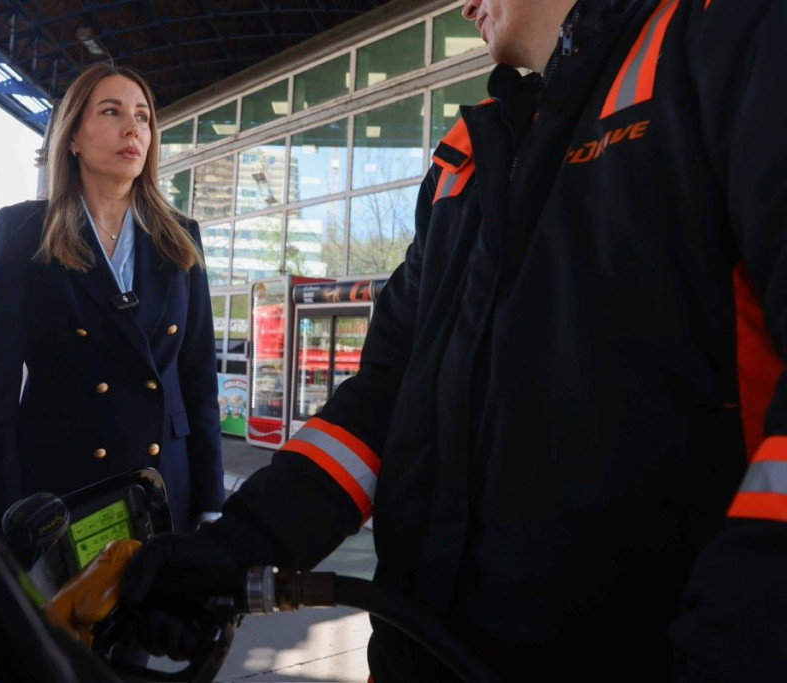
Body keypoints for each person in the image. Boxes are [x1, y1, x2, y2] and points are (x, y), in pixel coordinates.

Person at [113, 1, 787, 681]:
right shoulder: (464, 160)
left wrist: (746, 634)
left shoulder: (729, 38)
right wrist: (241, 543)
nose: (464, 4)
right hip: (419, 655)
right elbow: (381, 401)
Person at [0, 62, 225, 539]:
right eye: (112, 112)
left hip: (166, 489)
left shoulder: (180, 237)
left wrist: (212, 506)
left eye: (143, 117)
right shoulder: (25, 232)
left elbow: (199, 383)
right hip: (63, 492)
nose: (133, 129)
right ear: (72, 136)